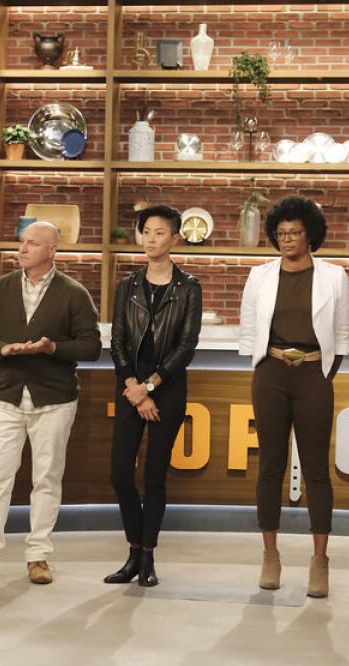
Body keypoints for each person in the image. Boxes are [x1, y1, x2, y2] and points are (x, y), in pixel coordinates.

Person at [0, 221, 101, 585]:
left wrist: (53, 348)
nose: (23, 249)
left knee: (46, 478)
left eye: (32, 243)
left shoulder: (74, 293)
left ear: (52, 251)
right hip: (6, 396)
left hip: (55, 400)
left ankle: (38, 557)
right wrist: (2, 349)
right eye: (22, 242)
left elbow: (91, 347)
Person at [238, 195, 349, 597]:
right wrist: (264, 366)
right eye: (281, 233)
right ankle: (270, 555)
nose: (287, 240)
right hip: (270, 373)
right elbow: (249, 329)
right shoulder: (260, 275)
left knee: (317, 470)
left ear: (310, 235)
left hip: (314, 375)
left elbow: (341, 335)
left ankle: (320, 560)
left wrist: (322, 375)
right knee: (270, 466)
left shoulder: (335, 276)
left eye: (295, 233)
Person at [104, 205, 202, 587]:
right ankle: (131, 551)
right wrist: (133, 386)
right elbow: (116, 342)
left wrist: (151, 386)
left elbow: (186, 345)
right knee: (119, 474)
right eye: (146, 231)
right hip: (130, 388)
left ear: (175, 239)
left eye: (160, 233)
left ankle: (147, 558)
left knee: (154, 477)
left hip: (168, 388)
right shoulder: (127, 286)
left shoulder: (189, 287)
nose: (151, 238)